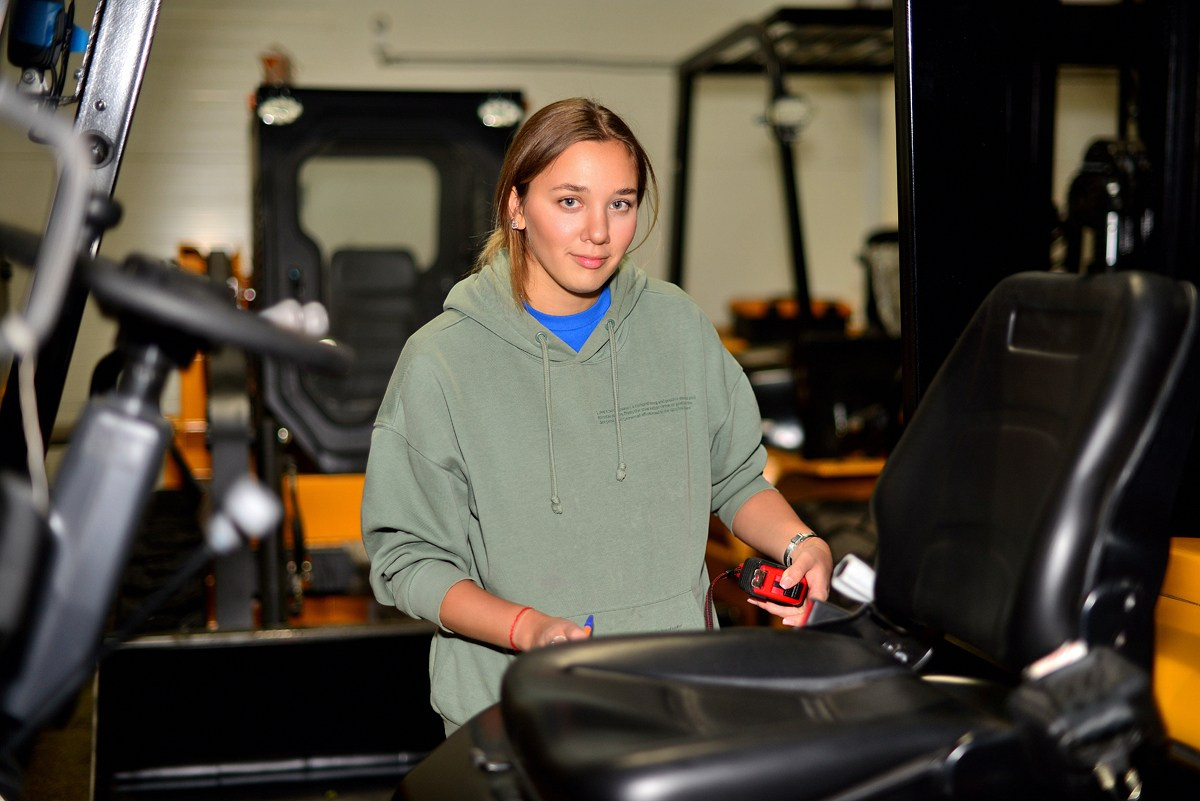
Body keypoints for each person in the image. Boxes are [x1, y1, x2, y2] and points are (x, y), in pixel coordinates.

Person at [362, 97, 832, 734]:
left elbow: (736, 479)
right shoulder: (442, 362)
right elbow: (409, 560)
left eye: (621, 202)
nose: (599, 232)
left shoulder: (678, 329)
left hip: (680, 702)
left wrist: (801, 544)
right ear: (516, 206)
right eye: (569, 201)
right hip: (515, 716)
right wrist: (525, 629)